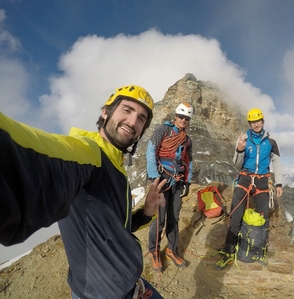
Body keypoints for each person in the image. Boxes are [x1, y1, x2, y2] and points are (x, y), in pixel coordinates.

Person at [0, 85, 166, 299]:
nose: (133, 122)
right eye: (127, 109)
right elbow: (32, 156)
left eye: (141, 118)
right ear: (106, 112)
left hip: (127, 286)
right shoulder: (89, 153)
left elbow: (114, 230)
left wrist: (146, 212)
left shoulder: (115, 165)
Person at [215, 108, 283, 270]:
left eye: (258, 121)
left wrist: (279, 183)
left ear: (263, 122)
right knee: (235, 215)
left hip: (262, 181)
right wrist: (239, 149)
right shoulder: (244, 138)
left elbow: (277, 163)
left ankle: (260, 251)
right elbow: (236, 164)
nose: (256, 124)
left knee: (263, 218)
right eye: (253, 122)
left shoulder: (271, 141)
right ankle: (228, 252)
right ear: (250, 124)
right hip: (244, 179)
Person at [146, 103, 193, 272]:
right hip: (161, 179)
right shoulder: (163, 130)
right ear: (175, 116)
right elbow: (151, 150)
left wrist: (187, 181)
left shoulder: (187, 139)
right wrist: (154, 177)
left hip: (177, 181)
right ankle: (154, 251)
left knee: (174, 218)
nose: (183, 120)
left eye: (186, 118)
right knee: (159, 218)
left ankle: (171, 249)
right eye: (181, 117)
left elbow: (189, 161)